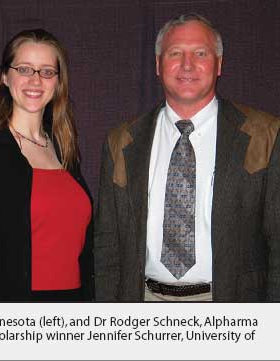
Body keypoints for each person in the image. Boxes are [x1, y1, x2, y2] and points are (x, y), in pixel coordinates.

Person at [95, 13, 280, 301]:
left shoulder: (265, 135)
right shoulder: (120, 141)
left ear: (219, 64)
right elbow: (107, 246)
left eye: (201, 53)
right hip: (142, 303)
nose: (187, 65)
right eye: (175, 53)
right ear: (158, 65)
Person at [0, 29, 94, 301]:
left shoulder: (65, 149)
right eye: (24, 69)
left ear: (58, 81)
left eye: (47, 71)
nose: (36, 80)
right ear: (4, 76)